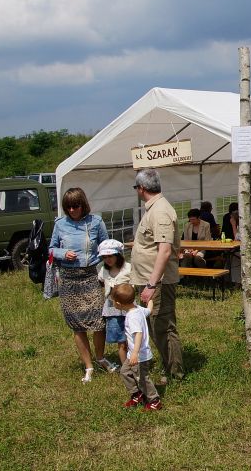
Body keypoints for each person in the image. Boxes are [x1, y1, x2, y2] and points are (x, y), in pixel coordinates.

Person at [49, 187, 112, 382]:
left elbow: (106, 246)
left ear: (83, 205)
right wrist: (62, 254)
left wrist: (109, 271)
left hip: (90, 276)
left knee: (99, 322)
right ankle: (89, 366)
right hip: (69, 279)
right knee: (78, 325)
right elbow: (51, 249)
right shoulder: (60, 224)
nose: (72, 210)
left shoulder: (96, 222)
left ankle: (100, 357)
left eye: (75, 206)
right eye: (68, 207)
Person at [131, 168, 184, 384]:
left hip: (156, 282)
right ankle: (168, 367)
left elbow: (164, 250)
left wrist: (152, 284)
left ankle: (175, 374)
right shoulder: (154, 209)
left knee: (163, 327)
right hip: (149, 280)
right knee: (155, 327)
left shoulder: (160, 211)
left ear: (141, 189)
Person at [110, 283, 162, 411]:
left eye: (113, 302)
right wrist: (149, 300)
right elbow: (149, 310)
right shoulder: (138, 309)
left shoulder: (132, 317)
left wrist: (134, 353)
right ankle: (136, 394)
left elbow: (138, 334)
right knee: (125, 372)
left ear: (118, 304)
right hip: (134, 355)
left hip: (139, 356)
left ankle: (154, 400)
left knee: (142, 379)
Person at [97, 239, 131, 368]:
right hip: (112, 307)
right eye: (104, 257)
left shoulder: (128, 268)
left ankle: (136, 362)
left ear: (118, 255)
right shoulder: (103, 270)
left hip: (128, 305)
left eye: (110, 256)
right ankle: (125, 367)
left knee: (131, 335)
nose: (108, 259)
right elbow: (100, 280)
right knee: (120, 339)